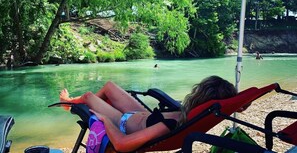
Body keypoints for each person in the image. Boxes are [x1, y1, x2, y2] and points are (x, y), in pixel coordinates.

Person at [59, 76, 237, 152]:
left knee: (89, 97)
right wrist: (237, 104)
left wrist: (105, 120)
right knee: (109, 86)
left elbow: (121, 144)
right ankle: (75, 102)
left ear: (199, 95)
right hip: (141, 115)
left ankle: (69, 104)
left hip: (123, 123)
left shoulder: (171, 125)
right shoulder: (193, 114)